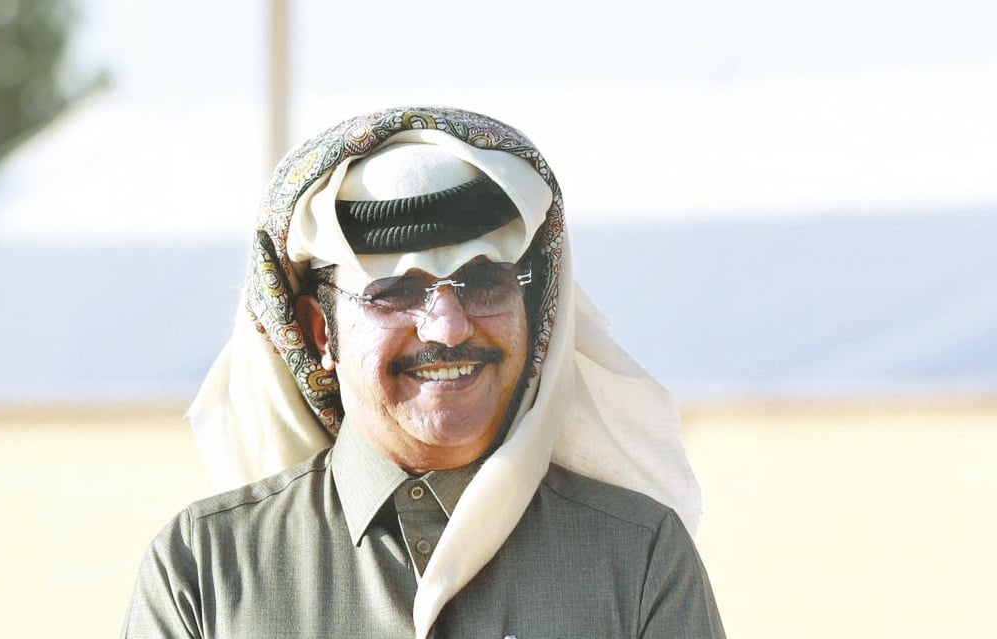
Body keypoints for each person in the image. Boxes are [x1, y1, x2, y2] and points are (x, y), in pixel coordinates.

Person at [121, 106, 725, 638]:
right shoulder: (206, 569)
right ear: (320, 332)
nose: (449, 328)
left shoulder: (636, 560)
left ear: (532, 311)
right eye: (396, 292)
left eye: (484, 281)